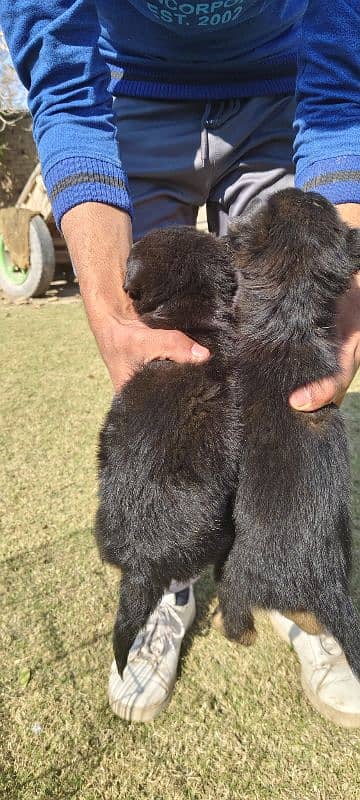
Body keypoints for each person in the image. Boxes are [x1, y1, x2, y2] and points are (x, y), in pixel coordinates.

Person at [1, 0, 359, 726]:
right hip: (128, 85)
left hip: (285, 81)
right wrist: (105, 302)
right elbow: (64, 80)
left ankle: (299, 583)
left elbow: (345, 86)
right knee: (163, 356)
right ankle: (167, 575)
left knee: (295, 353)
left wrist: (344, 277)